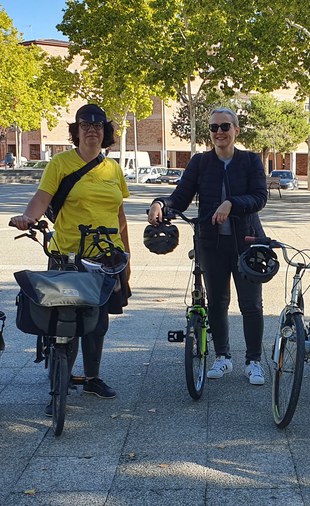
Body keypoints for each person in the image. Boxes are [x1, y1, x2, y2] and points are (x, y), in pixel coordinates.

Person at [9, 104, 131, 412]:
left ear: (105, 132)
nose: (92, 130)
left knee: (97, 320)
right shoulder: (61, 163)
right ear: (76, 131)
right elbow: (42, 197)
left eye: (98, 126)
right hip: (68, 254)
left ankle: (92, 378)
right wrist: (28, 217)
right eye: (85, 125)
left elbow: (120, 216)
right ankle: (59, 384)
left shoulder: (113, 169)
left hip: (106, 256)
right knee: (65, 319)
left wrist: (128, 257)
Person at [147, 107, 268, 385]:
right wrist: (160, 204)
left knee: (251, 304)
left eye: (225, 127)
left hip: (247, 242)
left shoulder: (250, 161)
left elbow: (259, 197)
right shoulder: (200, 162)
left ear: (236, 130)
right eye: (214, 128)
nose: (219, 132)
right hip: (211, 243)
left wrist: (232, 203)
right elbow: (180, 197)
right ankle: (222, 356)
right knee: (217, 302)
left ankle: (253, 361)